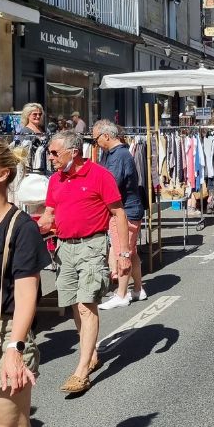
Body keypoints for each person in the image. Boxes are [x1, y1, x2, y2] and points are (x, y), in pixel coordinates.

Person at [37, 131, 131, 394]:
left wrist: (123, 253)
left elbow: (118, 213)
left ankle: (81, 371)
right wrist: (34, 225)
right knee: (75, 307)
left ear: (73, 152)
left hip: (92, 245)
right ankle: (90, 354)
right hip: (64, 248)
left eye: (55, 152)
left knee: (86, 304)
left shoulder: (100, 175)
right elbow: (50, 213)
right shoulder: (56, 179)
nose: (50, 157)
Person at [0, 141, 50, 427]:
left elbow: (27, 290)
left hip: (5, 330)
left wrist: (15, 347)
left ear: (1, 174)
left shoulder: (20, 226)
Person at [94, 120, 146, 310]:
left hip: (125, 211)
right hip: (128, 209)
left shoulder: (119, 155)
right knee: (131, 252)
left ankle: (122, 294)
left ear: (106, 136)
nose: (95, 143)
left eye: (96, 138)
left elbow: (111, 184)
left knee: (122, 252)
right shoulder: (114, 153)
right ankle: (138, 289)